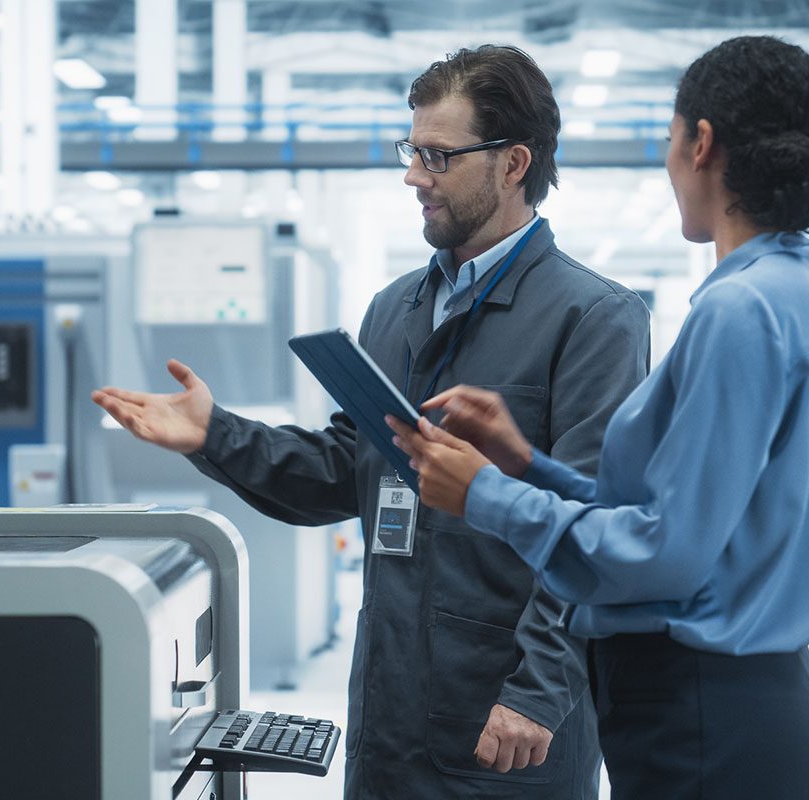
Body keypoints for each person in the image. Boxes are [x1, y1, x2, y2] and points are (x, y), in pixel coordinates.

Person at [94, 45, 650, 798]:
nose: (413, 176)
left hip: (507, 733)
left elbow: (591, 527)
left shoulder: (592, 319)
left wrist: (536, 694)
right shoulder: (397, 308)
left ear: (514, 164)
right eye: (412, 151)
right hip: (391, 721)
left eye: (437, 156)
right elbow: (342, 470)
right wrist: (211, 433)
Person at [391, 35, 809, 800]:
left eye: (671, 137)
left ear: (702, 143)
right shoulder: (787, 287)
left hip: (704, 708)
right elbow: (692, 516)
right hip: (731, 698)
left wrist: (487, 495)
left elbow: (668, 553)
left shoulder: (741, 308)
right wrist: (528, 464)